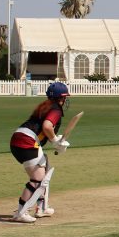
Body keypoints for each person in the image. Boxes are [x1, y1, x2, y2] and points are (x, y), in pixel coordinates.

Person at [8, 81, 71, 223]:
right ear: (62, 97)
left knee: (45, 169)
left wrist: (58, 141)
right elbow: (47, 126)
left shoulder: (45, 106)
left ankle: (42, 207)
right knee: (38, 179)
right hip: (27, 141)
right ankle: (21, 212)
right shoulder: (56, 109)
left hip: (18, 139)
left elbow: (43, 132)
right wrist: (55, 141)